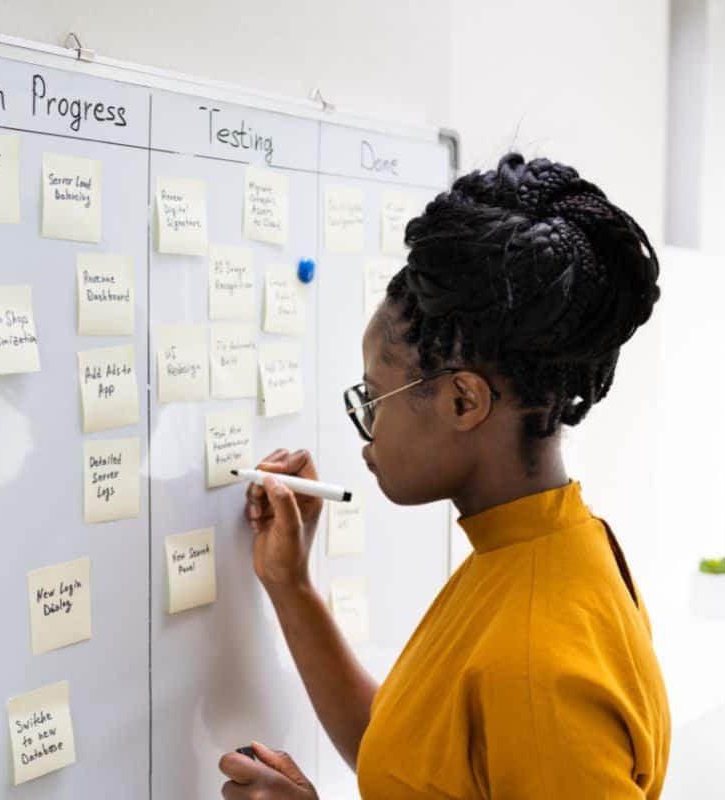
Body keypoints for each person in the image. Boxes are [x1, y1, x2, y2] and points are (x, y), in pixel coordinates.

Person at [217, 154, 671, 799]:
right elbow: (417, 762)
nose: (365, 429)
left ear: (464, 401)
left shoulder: (540, 656)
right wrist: (290, 586)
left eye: (374, 398)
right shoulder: (543, 546)